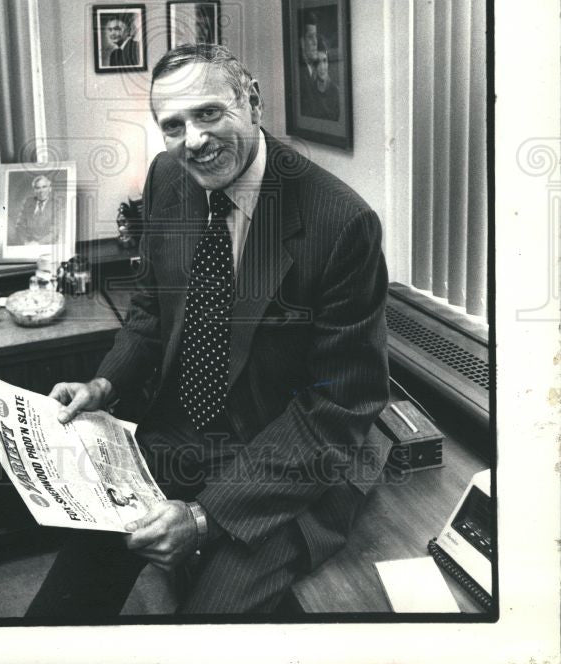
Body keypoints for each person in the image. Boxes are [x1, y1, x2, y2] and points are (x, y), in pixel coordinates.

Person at [25, 44, 390, 618]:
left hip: (287, 461)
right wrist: (106, 387)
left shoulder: (340, 223)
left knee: (210, 621)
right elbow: (151, 307)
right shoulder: (169, 179)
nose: (192, 139)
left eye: (209, 113)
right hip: (183, 432)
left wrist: (202, 517)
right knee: (67, 594)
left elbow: (338, 408)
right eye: (173, 125)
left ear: (253, 102)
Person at [12, 175, 58, 246]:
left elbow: (55, 232)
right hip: (27, 245)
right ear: (34, 190)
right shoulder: (28, 202)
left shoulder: (56, 204)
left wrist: (38, 243)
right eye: (38, 188)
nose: (41, 191)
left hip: (47, 246)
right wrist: (25, 242)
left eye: (44, 187)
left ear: (50, 189)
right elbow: (20, 226)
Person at [310, 42, 341, 122]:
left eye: (324, 61)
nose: (322, 67)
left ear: (328, 63)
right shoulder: (310, 91)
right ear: (313, 66)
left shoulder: (337, 93)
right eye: (317, 62)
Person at [298, 12, 319, 117]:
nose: (316, 42)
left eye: (316, 36)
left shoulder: (315, 70)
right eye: (311, 37)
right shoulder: (300, 76)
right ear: (302, 43)